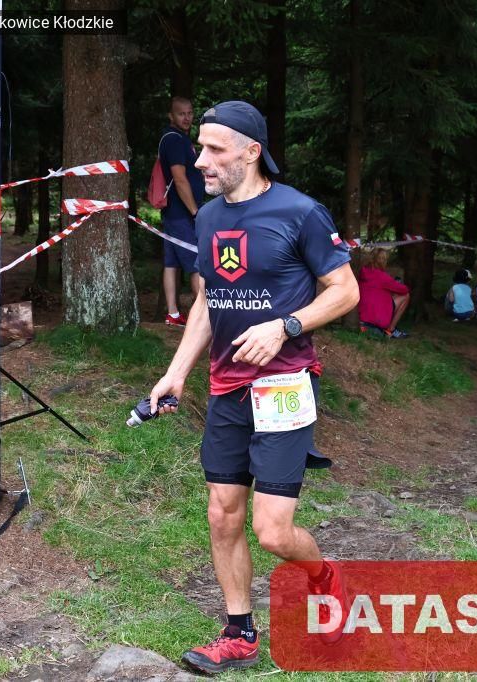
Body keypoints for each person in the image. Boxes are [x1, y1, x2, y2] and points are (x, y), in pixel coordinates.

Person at [146, 100, 360, 675]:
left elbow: (346, 291)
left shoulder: (300, 212)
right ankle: (239, 634)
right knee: (222, 515)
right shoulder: (209, 218)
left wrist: (286, 326)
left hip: (285, 386)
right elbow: (207, 301)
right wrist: (176, 372)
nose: (200, 160)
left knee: (272, 531)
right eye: (200, 147)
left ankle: (325, 577)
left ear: (251, 152)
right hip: (226, 387)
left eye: (214, 149)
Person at [158, 96, 206, 326]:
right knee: (196, 262)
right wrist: (195, 212)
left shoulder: (177, 138)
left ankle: (173, 314)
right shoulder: (175, 140)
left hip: (173, 214)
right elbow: (179, 179)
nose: (187, 118)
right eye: (181, 113)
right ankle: (205, 316)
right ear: (171, 116)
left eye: (189, 113)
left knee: (172, 263)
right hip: (182, 214)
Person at [357, 247, 410, 338]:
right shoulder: (382, 277)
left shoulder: (362, 272)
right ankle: (390, 330)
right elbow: (404, 290)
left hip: (361, 318)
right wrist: (395, 284)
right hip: (374, 321)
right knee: (406, 296)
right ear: (383, 261)